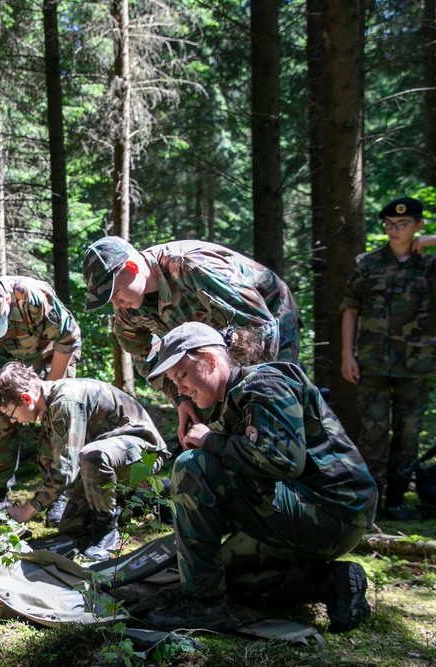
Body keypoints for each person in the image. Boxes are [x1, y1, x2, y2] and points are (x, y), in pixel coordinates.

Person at [143, 322, 377, 634]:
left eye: (182, 376)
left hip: (333, 512)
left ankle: (204, 606)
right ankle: (331, 583)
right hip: (305, 512)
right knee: (222, 575)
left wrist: (209, 441)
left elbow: (282, 462)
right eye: (175, 381)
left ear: (211, 360)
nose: (181, 389)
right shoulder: (231, 401)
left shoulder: (264, 383)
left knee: (192, 465)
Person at [83, 236, 301, 443]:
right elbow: (146, 358)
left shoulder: (190, 267)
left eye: (116, 291)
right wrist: (180, 399)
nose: (117, 303)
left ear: (132, 267)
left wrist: (249, 394)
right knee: (213, 414)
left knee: (273, 405)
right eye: (109, 299)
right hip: (220, 343)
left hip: (269, 317)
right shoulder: (127, 312)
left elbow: (258, 326)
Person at [0, 362, 169, 559]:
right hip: (111, 460)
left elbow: (65, 471)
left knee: (93, 455)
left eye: (10, 414)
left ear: (26, 398)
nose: (13, 421)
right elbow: (54, 463)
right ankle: (145, 499)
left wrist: (29, 510)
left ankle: (106, 534)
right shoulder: (50, 407)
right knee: (72, 528)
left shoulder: (65, 402)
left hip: (144, 453)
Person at [340, 197, 436, 521]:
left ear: (418, 226)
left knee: (408, 432)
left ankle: (397, 497)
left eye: (404, 224)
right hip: (373, 362)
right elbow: (351, 307)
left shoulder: (429, 265)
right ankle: (372, 500)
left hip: (417, 364)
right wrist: (346, 355)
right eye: (390, 225)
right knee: (374, 433)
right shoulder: (367, 264)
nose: (395, 231)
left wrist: (431, 241)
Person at [0, 277, 81, 517]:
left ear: (9, 301)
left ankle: (54, 497)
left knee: (55, 418)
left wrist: (48, 392)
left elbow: (68, 339)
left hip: (53, 355)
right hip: (9, 361)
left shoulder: (34, 298)